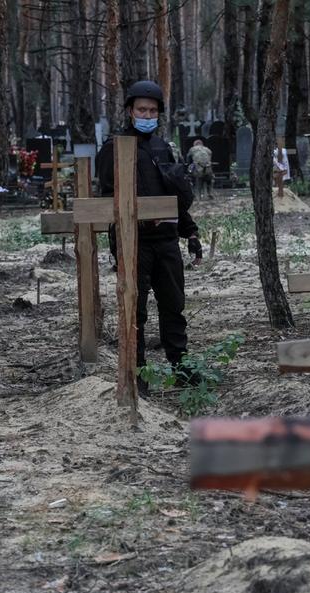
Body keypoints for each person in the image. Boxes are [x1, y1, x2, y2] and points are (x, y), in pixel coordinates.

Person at [95, 80, 202, 390]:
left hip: (167, 242)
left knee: (173, 305)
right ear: (130, 111)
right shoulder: (114, 149)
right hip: (133, 243)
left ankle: (180, 366)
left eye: (153, 110)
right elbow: (105, 200)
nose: (147, 114)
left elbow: (174, 198)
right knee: (134, 309)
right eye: (142, 109)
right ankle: (136, 370)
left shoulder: (164, 148)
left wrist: (190, 232)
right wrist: (133, 225)